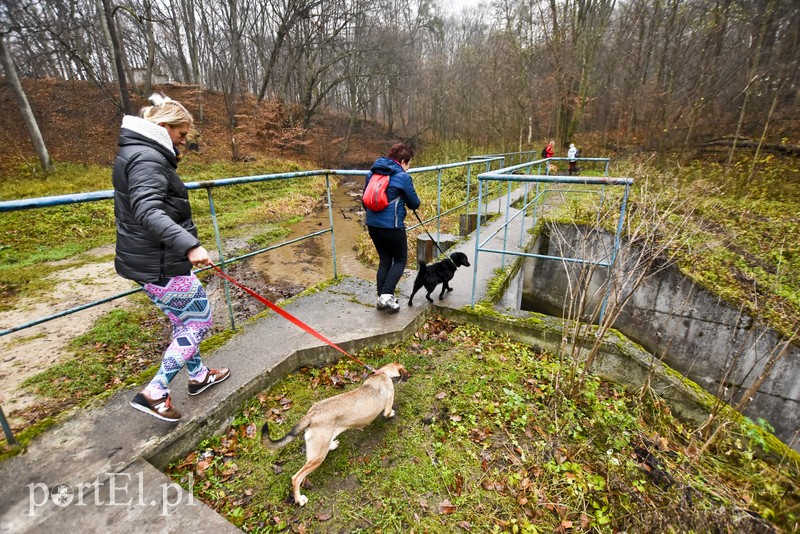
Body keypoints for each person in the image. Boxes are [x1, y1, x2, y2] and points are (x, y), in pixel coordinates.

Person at [112, 93, 230, 422]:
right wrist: (190, 245)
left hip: (149, 259)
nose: (183, 142)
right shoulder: (148, 158)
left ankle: (199, 376)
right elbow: (148, 211)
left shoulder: (137, 151)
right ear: (163, 127)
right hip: (160, 261)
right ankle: (156, 392)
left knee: (183, 321)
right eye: (181, 135)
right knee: (199, 320)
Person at [364, 143, 421, 312]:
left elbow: (364, 199)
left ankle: (381, 298)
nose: (408, 168)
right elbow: (415, 204)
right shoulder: (403, 177)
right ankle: (387, 295)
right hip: (392, 226)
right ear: (403, 161)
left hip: (372, 224)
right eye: (409, 164)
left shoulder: (372, 173)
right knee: (401, 259)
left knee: (385, 260)